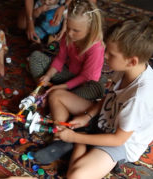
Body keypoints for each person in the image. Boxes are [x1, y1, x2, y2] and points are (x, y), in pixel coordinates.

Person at [49, 17, 153, 178]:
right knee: (57, 96)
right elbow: (110, 98)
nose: (105, 56)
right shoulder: (126, 68)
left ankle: (78, 140)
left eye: (110, 54)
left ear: (132, 61)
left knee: (75, 176)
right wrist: (88, 116)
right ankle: (69, 137)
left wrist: (76, 137)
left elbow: (118, 140)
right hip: (107, 118)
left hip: (121, 142)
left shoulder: (140, 97)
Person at [29, 0, 105, 105]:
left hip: (85, 82)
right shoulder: (68, 36)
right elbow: (60, 59)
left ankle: (56, 95)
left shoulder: (96, 48)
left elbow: (86, 77)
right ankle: (50, 93)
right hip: (68, 74)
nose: (69, 33)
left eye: (76, 30)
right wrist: (48, 75)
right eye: (68, 27)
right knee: (36, 57)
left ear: (90, 29)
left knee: (96, 89)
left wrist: (61, 87)